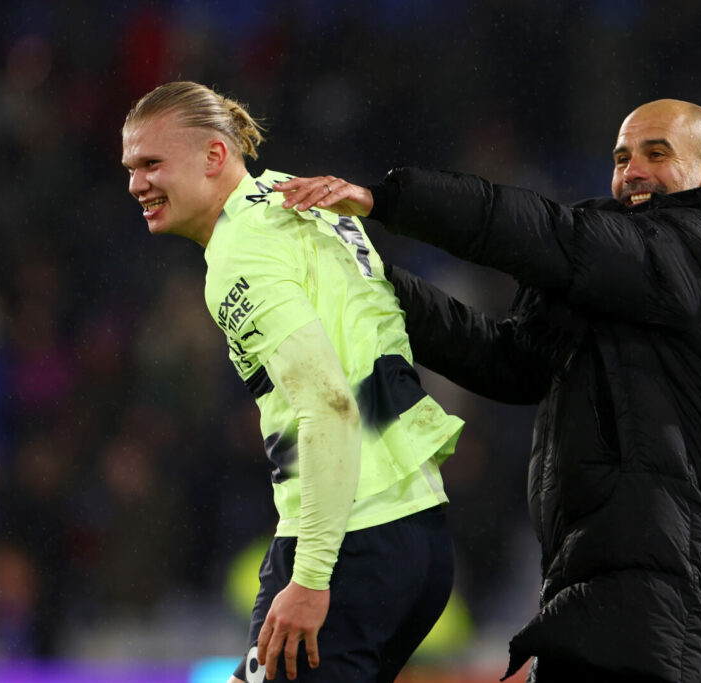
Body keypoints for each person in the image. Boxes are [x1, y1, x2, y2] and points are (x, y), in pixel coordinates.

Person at [275, 99, 701, 682]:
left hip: (669, 613)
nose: (633, 172)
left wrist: (388, 200)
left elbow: (556, 238)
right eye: (621, 158)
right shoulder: (628, 275)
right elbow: (509, 362)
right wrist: (369, 279)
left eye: (657, 154)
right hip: (601, 598)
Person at [120, 81, 464, 682]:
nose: (136, 184)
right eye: (130, 168)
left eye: (152, 164)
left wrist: (309, 577)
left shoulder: (241, 251)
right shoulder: (301, 198)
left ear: (214, 155)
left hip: (347, 539)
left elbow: (330, 406)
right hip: (419, 533)